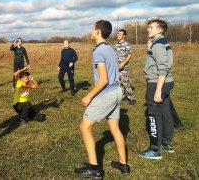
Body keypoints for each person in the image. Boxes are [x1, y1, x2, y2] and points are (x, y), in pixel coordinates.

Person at [74, 20, 130, 178]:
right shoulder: (109, 48)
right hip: (117, 92)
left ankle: (94, 169)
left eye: (93, 28)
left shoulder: (99, 51)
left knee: (85, 128)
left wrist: (89, 96)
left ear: (98, 31)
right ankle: (123, 165)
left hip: (107, 94)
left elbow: (104, 80)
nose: (91, 31)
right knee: (115, 128)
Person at [139, 20, 175, 159]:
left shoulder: (158, 45)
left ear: (159, 30)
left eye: (151, 27)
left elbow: (163, 68)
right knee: (165, 111)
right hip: (167, 81)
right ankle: (167, 143)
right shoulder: (162, 42)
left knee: (154, 115)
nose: (148, 29)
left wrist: (158, 89)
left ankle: (155, 150)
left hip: (157, 82)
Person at [114, 29, 136, 105]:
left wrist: (123, 63)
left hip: (123, 67)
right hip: (116, 67)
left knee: (125, 82)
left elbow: (129, 55)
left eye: (120, 34)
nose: (118, 35)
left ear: (124, 36)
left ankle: (132, 98)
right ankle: (123, 95)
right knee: (119, 82)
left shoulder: (126, 44)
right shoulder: (116, 45)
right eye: (117, 33)